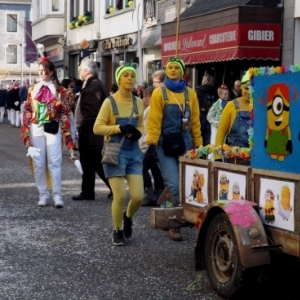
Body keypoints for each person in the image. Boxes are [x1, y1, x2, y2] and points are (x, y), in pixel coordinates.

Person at [146, 57, 202, 241]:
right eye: (169, 67)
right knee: (174, 184)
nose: (172, 70)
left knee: (189, 185)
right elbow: (153, 121)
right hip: (164, 144)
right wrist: (152, 143)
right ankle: (173, 224)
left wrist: (199, 146)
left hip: (185, 143)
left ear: (182, 71)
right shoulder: (159, 93)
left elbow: (195, 123)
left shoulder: (191, 94)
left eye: (176, 67)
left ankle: (169, 210)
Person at [93, 64, 144, 246]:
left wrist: (138, 131)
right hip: (114, 152)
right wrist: (119, 128)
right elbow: (97, 127)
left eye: (132, 75)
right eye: (126, 76)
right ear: (119, 80)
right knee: (120, 195)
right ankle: (117, 229)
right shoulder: (109, 102)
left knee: (138, 196)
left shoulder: (139, 102)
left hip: (133, 153)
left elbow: (141, 125)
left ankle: (127, 216)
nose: (130, 78)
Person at [21, 57, 76, 208]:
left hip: (53, 128)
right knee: (39, 163)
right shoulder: (32, 89)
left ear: (51, 72)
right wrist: (25, 131)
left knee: (55, 161)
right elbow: (28, 110)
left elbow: (65, 112)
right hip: (36, 128)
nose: (42, 74)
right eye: (40, 71)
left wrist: (69, 138)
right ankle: (43, 194)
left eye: (45, 71)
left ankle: (57, 195)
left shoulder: (59, 91)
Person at [72, 57, 112, 201]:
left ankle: (108, 188)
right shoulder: (92, 84)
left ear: (87, 71)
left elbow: (92, 112)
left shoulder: (93, 85)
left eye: (80, 69)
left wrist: (82, 129)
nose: (79, 72)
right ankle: (88, 192)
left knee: (93, 162)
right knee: (91, 163)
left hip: (91, 132)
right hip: (91, 131)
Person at [215, 71, 251, 165]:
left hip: (254, 158)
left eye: (252, 88)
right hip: (234, 159)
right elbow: (221, 132)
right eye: (246, 88)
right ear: (241, 88)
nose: (249, 91)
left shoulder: (261, 107)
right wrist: (217, 157)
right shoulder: (232, 105)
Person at [139, 86, 164, 206]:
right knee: (155, 169)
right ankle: (158, 193)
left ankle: (150, 193)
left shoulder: (150, 109)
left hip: (148, 143)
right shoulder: (152, 108)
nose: (144, 99)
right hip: (151, 142)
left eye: (145, 96)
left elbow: (149, 127)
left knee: (142, 168)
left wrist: (144, 140)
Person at [195, 74, 216, 146]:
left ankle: (200, 151)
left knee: (199, 133)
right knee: (208, 133)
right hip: (210, 114)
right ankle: (207, 151)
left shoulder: (198, 90)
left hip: (201, 113)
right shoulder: (213, 90)